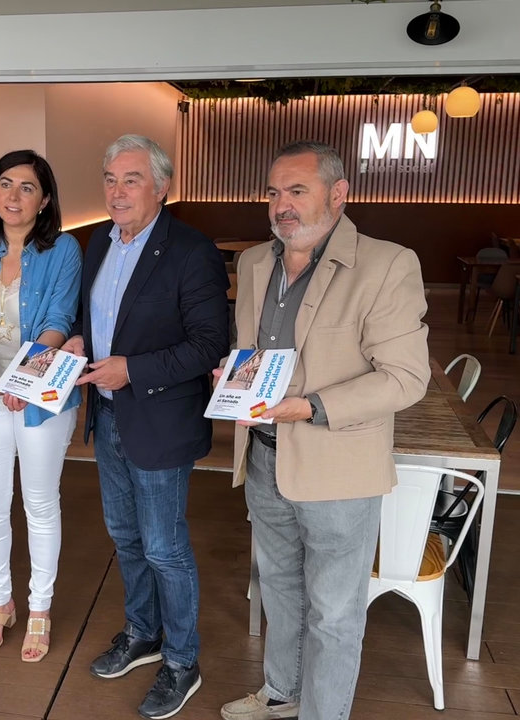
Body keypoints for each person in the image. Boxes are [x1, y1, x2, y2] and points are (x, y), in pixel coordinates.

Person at [219, 141, 430, 720]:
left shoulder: (387, 263)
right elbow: (254, 355)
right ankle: (283, 695)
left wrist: (307, 407)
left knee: (335, 613)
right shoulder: (256, 263)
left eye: (297, 191)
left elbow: (406, 380)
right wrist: (235, 378)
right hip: (264, 458)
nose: (281, 205)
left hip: (338, 467)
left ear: (338, 195)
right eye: (273, 192)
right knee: (280, 592)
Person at [63, 134, 230, 719]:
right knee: (125, 536)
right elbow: (97, 320)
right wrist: (84, 341)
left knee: (164, 547)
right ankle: (143, 632)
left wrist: (131, 368)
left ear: (162, 187)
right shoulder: (96, 243)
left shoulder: (190, 250)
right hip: (107, 416)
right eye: (110, 178)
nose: (117, 190)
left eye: (131, 179)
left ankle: (183, 661)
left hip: (159, 420)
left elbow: (211, 344)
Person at [0, 150, 82, 663]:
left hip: (41, 399)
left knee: (40, 503)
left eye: (27, 187)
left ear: (44, 199)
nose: (14, 196)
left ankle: (40, 608)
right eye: (5, 184)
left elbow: (58, 320)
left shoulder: (64, 249)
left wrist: (24, 382)